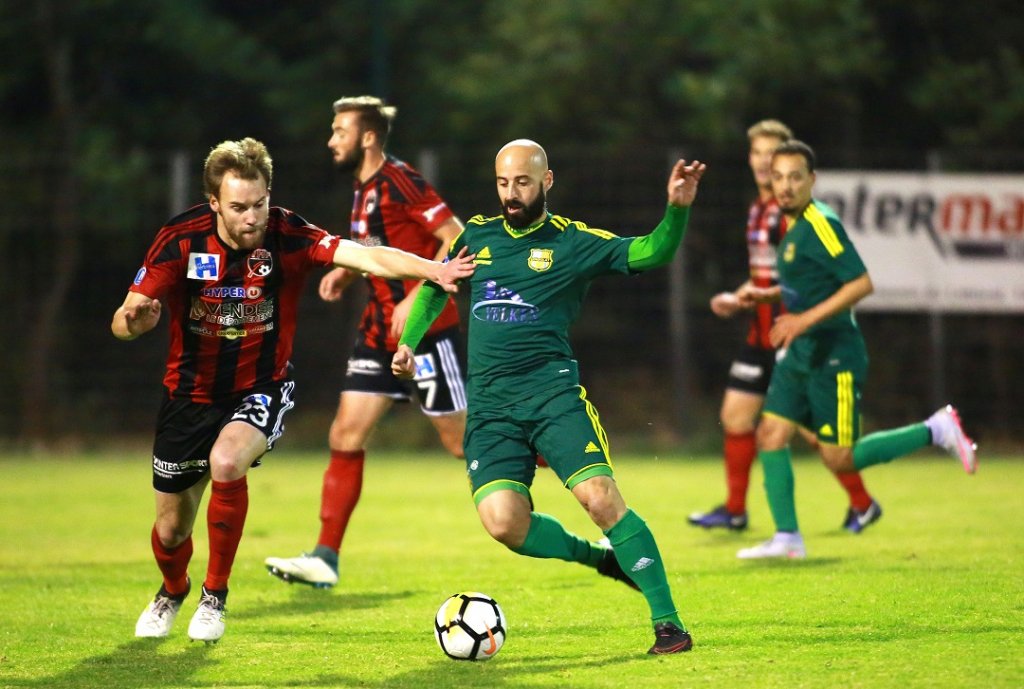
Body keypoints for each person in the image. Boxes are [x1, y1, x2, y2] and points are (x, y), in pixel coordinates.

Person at [113, 137, 473, 643]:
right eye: (239, 207)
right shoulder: (179, 239)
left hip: (261, 387)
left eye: (259, 203)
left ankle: (215, 597)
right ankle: (173, 591)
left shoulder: (287, 233)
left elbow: (367, 257)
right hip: (187, 397)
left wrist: (433, 268)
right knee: (172, 531)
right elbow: (123, 321)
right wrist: (137, 321)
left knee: (226, 463)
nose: (252, 216)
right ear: (214, 202)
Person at [392, 139, 707, 655]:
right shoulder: (476, 236)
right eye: (502, 183)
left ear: (547, 181)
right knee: (503, 523)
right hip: (490, 409)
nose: (511, 194)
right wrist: (408, 343)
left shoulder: (573, 242)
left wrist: (676, 209)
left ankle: (669, 624)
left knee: (600, 498)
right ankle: (597, 558)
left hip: (551, 396)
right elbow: (436, 286)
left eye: (522, 182)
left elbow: (653, 252)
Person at [735, 140, 977, 560]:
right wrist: (768, 295)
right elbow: (814, 285)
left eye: (796, 177)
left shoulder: (820, 222)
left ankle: (937, 428)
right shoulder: (790, 224)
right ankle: (788, 539)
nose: (786, 186)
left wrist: (801, 320)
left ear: (812, 180)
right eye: (779, 177)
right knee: (771, 434)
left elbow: (861, 283)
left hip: (834, 355)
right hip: (801, 353)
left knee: (841, 458)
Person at [263, 96, 468, 589]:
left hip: (425, 334)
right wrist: (345, 273)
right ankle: (325, 558)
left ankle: (590, 491)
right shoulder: (362, 191)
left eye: (340, 131)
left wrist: (417, 295)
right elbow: (379, 246)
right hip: (378, 334)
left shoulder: (401, 180)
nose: (331, 140)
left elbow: (456, 236)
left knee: (462, 443)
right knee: (345, 435)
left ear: (368, 137)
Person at [688, 120, 880, 534]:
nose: (762, 162)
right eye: (757, 153)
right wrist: (739, 296)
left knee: (811, 435)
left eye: (771, 154)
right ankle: (738, 510)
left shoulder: (791, 215)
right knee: (738, 416)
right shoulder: (758, 209)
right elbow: (766, 276)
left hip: (791, 334)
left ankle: (861, 501)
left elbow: (806, 279)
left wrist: (801, 316)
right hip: (761, 331)